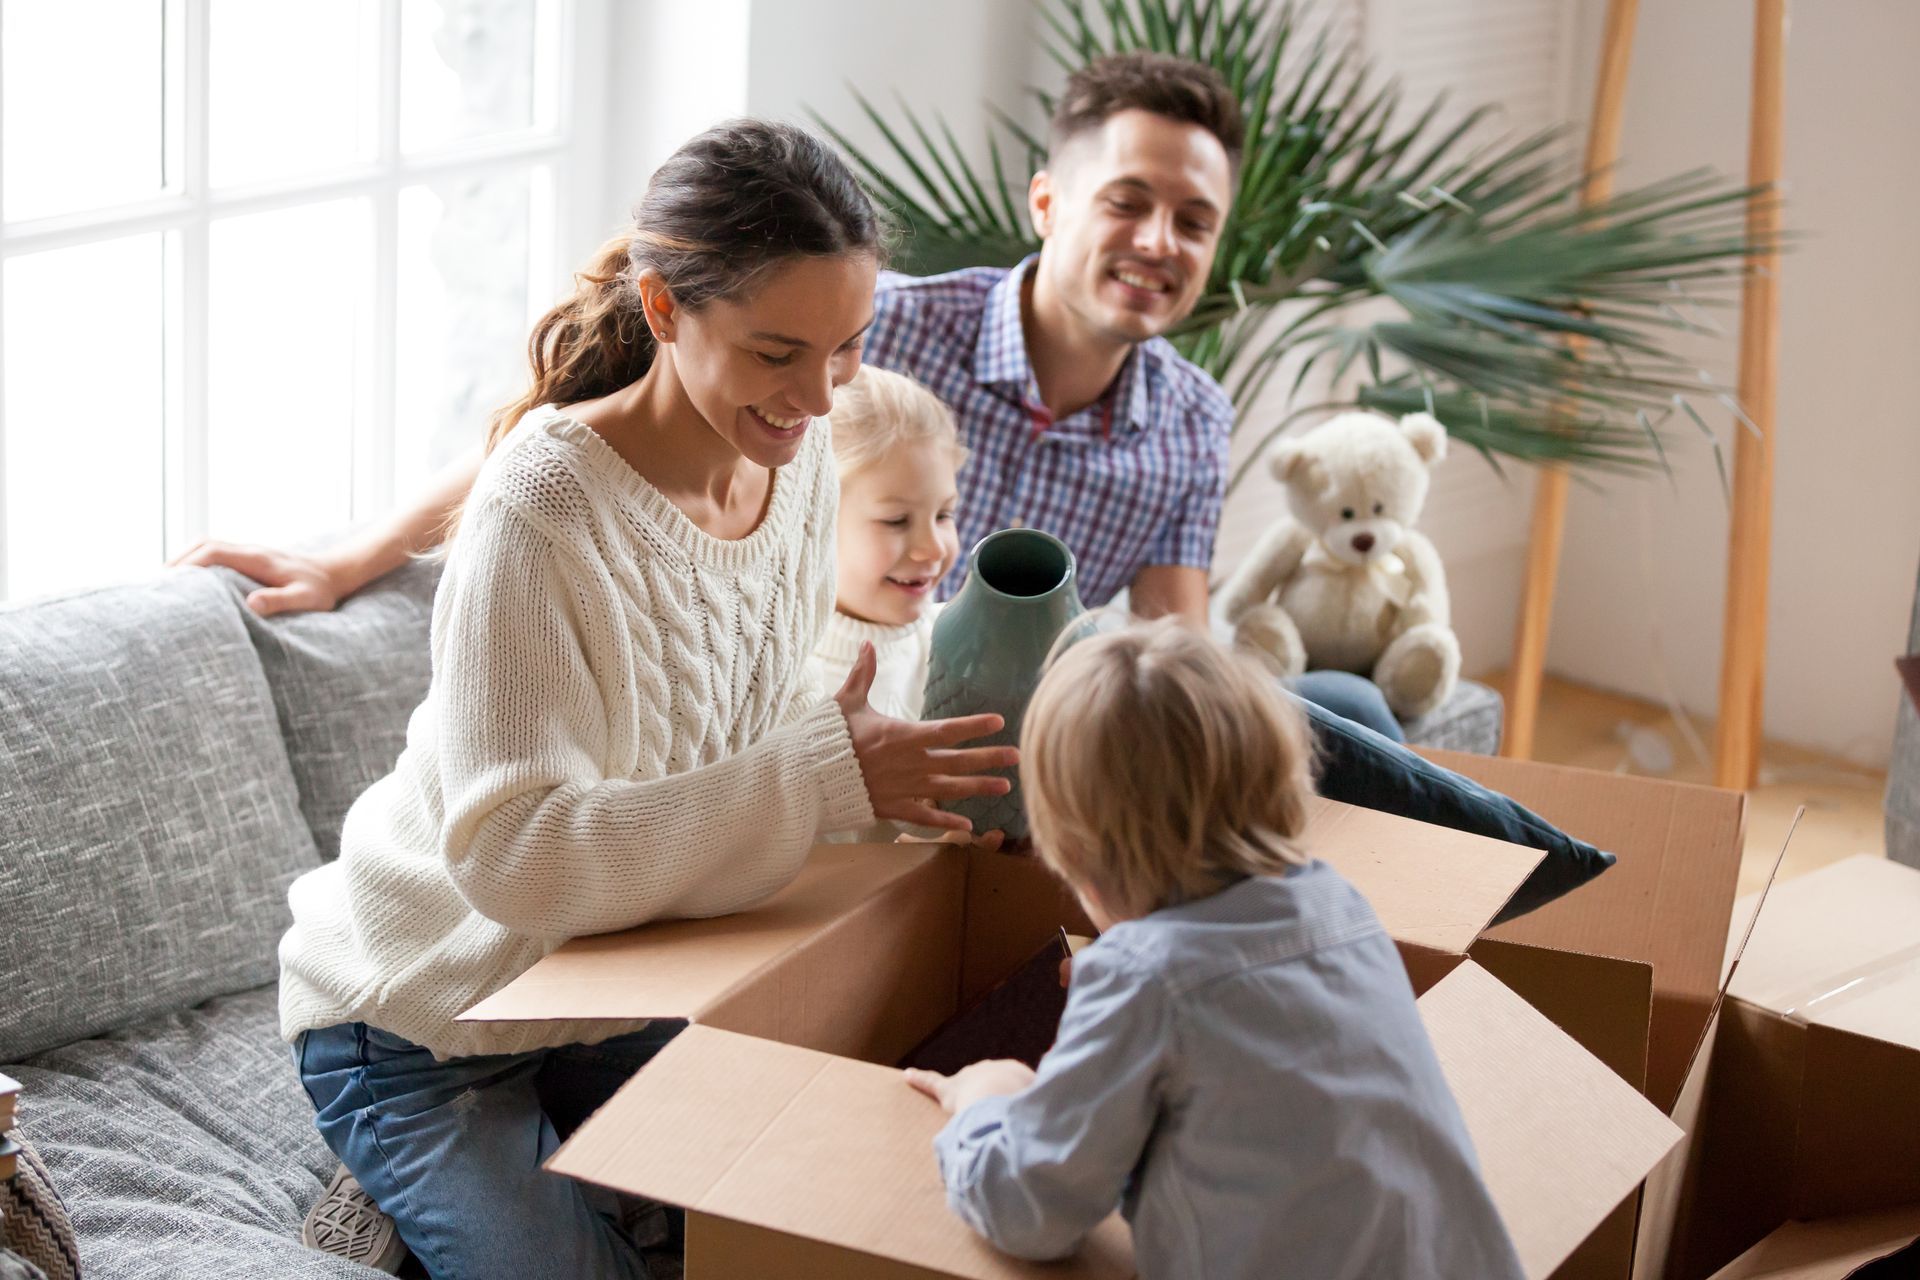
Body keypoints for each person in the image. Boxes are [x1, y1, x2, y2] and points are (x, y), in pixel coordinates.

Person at [177, 52, 1611, 919]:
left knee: (1336, 710)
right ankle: (1576, 897)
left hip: (1050, 691)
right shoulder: (885, 332)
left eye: (1193, 220)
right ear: (1053, 206)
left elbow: (1177, 636)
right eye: (1129, 199)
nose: (1158, 240)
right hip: (893, 681)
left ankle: (1524, 906)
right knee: (1327, 722)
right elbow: (576, 428)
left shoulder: (1187, 410)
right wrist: (357, 557)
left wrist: (1198, 743)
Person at [280, 120, 1017, 1280]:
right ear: (665, 309)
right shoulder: (545, 511)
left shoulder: (799, 454)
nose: (820, 401)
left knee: (845, 1210)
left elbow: (758, 743)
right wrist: (826, 775)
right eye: (778, 354)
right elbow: (514, 855)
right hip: (428, 1015)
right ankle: (395, 1177)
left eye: (845, 350)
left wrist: (886, 787)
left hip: (619, 980)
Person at [905, 621, 1527, 1280]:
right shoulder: (1340, 904)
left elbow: (1032, 1209)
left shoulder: (1147, 981)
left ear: (1076, 854)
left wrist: (984, 1102)